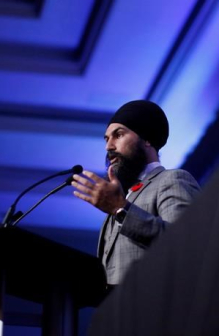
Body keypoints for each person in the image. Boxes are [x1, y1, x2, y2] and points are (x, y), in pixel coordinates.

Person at [72, 99, 200, 286]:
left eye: (119, 135)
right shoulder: (121, 198)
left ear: (147, 138)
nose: (109, 147)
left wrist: (120, 209)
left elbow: (187, 243)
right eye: (107, 139)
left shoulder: (173, 179)